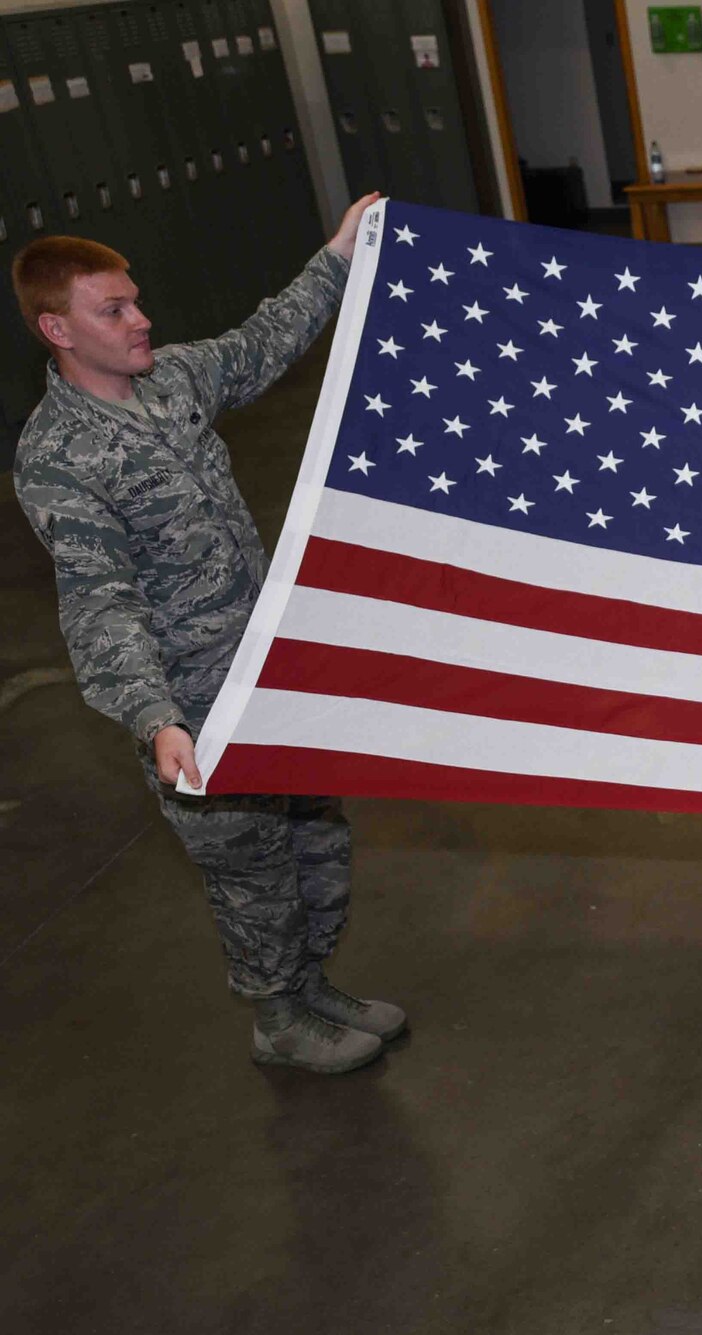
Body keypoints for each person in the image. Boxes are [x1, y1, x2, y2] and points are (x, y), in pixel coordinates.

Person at [11, 193, 403, 1076]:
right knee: (251, 870)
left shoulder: (173, 380)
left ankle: (312, 984)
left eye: (136, 298)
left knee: (314, 836)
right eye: (112, 310)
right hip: (195, 703)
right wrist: (155, 717)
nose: (140, 318)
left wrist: (338, 254)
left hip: (266, 673)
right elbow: (98, 598)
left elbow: (267, 338)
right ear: (57, 329)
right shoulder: (59, 457)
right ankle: (279, 1018)